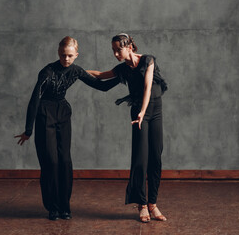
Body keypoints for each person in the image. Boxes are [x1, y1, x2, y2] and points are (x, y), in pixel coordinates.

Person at [15, 36, 119, 221]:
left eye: (70, 56)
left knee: (64, 161)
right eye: (63, 55)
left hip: (62, 114)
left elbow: (101, 87)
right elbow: (34, 100)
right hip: (44, 114)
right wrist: (28, 129)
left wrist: (122, 76)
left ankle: (64, 206)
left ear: (76, 55)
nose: (66, 59)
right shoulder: (47, 72)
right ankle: (52, 207)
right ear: (58, 53)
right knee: (51, 162)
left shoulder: (76, 71)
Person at [87, 33, 168, 223]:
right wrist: (79, 71)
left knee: (156, 157)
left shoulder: (148, 60)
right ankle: (141, 204)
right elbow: (101, 76)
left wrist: (143, 110)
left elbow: (148, 86)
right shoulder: (122, 69)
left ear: (129, 47)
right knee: (141, 158)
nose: (116, 53)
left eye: (118, 50)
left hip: (153, 111)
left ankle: (153, 204)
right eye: (113, 50)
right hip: (138, 115)